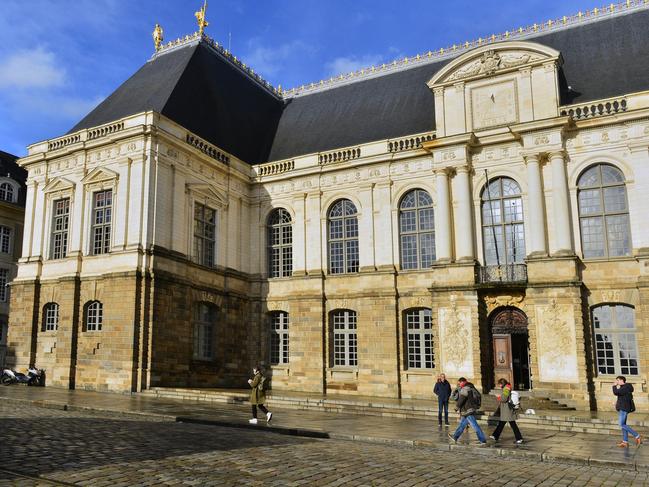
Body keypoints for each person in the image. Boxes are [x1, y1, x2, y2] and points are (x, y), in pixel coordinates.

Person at [448, 377, 487, 445]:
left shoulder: (465, 388)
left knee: (475, 426)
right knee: (462, 424)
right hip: (470, 408)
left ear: (462, 382)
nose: (459, 385)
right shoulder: (471, 387)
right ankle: (455, 437)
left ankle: (482, 439)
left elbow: (461, 399)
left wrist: (456, 407)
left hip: (467, 410)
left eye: (459, 383)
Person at [489, 378, 523, 444]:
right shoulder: (507, 388)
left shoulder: (506, 389)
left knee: (513, 424)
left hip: (507, 409)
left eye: (499, 384)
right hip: (506, 410)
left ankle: (519, 438)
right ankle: (495, 435)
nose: (499, 386)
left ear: (502, 383)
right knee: (502, 423)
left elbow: (504, 398)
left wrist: (498, 397)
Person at [613, 375, 642, 447]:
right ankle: (625, 442)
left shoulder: (625, 387)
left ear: (621, 380)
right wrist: (617, 403)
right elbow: (622, 397)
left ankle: (637, 436)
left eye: (617, 380)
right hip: (623, 407)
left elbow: (616, 392)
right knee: (623, 425)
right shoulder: (625, 387)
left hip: (624, 408)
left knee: (621, 424)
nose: (616, 382)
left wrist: (614, 386)